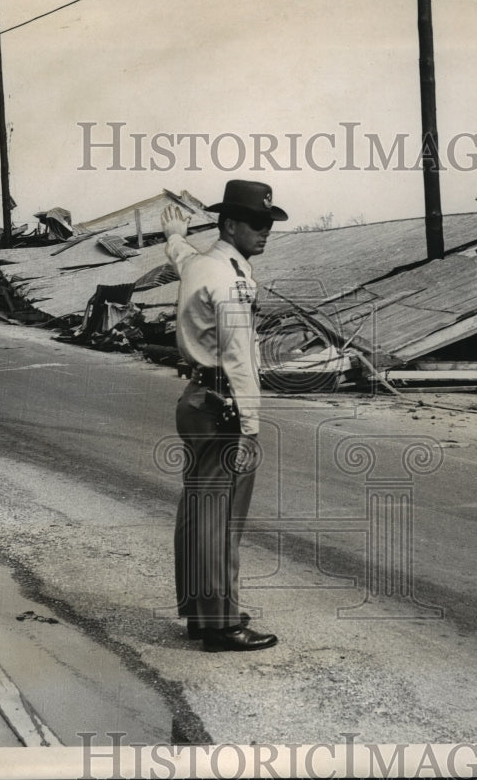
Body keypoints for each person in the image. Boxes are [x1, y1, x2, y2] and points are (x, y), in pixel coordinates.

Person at [160, 180, 287, 652]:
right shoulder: (230, 279)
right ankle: (221, 623)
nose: (265, 231)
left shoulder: (201, 263)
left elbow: (180, 256)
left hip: (197, 400)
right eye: (256, 223)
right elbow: (238, 357)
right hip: (223, 405)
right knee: (221, 518)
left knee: (198, 511)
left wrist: (173, 233)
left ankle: (199, 611)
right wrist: (250, 426)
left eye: (269, 223)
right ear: (230, 224)